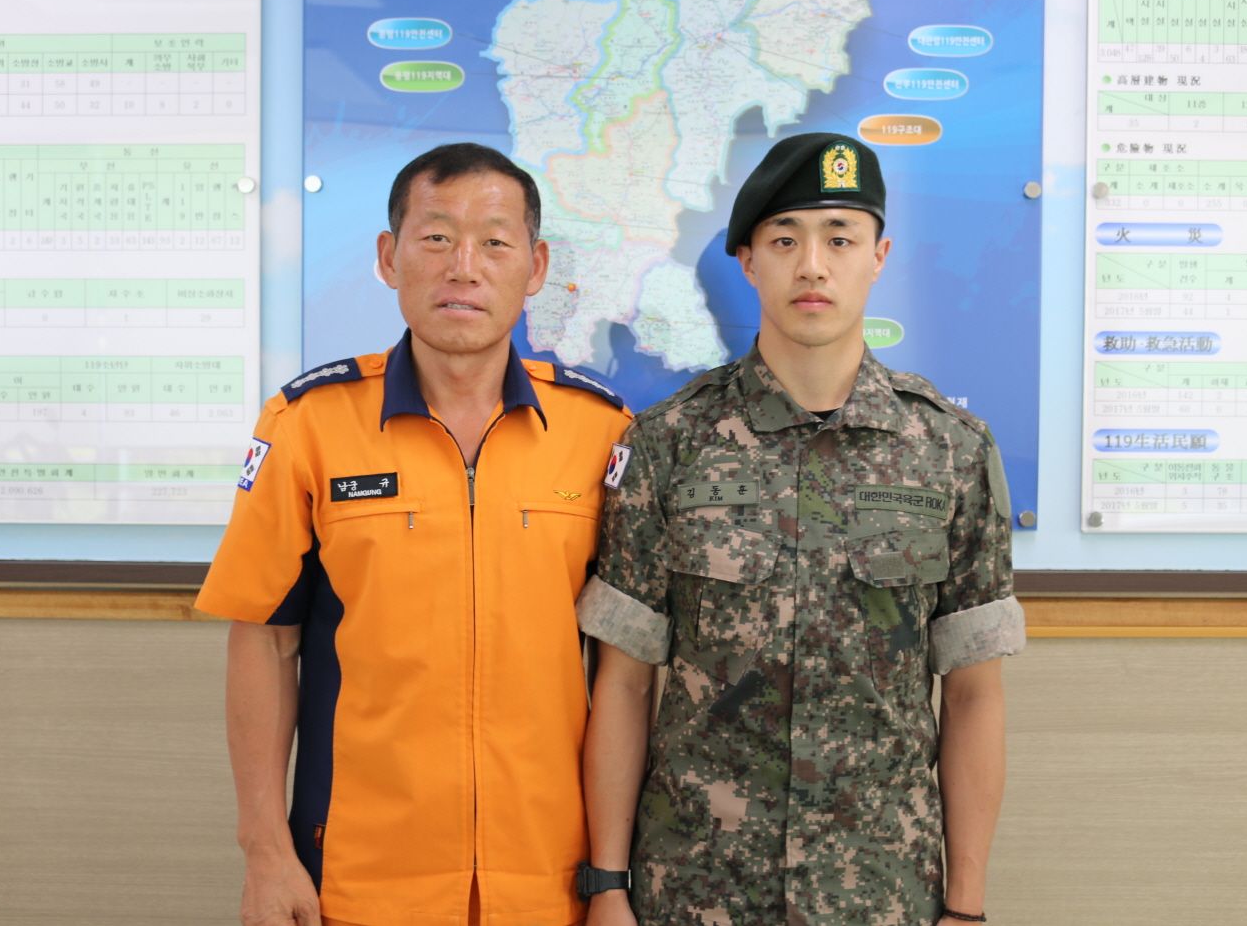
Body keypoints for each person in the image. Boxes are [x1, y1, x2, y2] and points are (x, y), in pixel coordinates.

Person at [573, 133, 1025, 926]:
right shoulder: (669, 442)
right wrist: (607, 884)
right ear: (747, 261)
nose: (812, 266)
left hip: (880, 892)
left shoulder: (950, 448)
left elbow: (972, 696)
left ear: (879, 256)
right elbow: (624, 681)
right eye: (784, 240)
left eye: (838, 239)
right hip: (696, 890)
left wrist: (965, 905)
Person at [196, 143, 632, 926]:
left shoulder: (599, 431)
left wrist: (611, 880)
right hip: (359, 881)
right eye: (435, 237)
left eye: (494, 242)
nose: (464, 267)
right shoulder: (309, 424)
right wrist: (264, 851)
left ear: (535, 266)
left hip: (551, 884)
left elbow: (626, 675)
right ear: (388, 257)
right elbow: (264, 641)